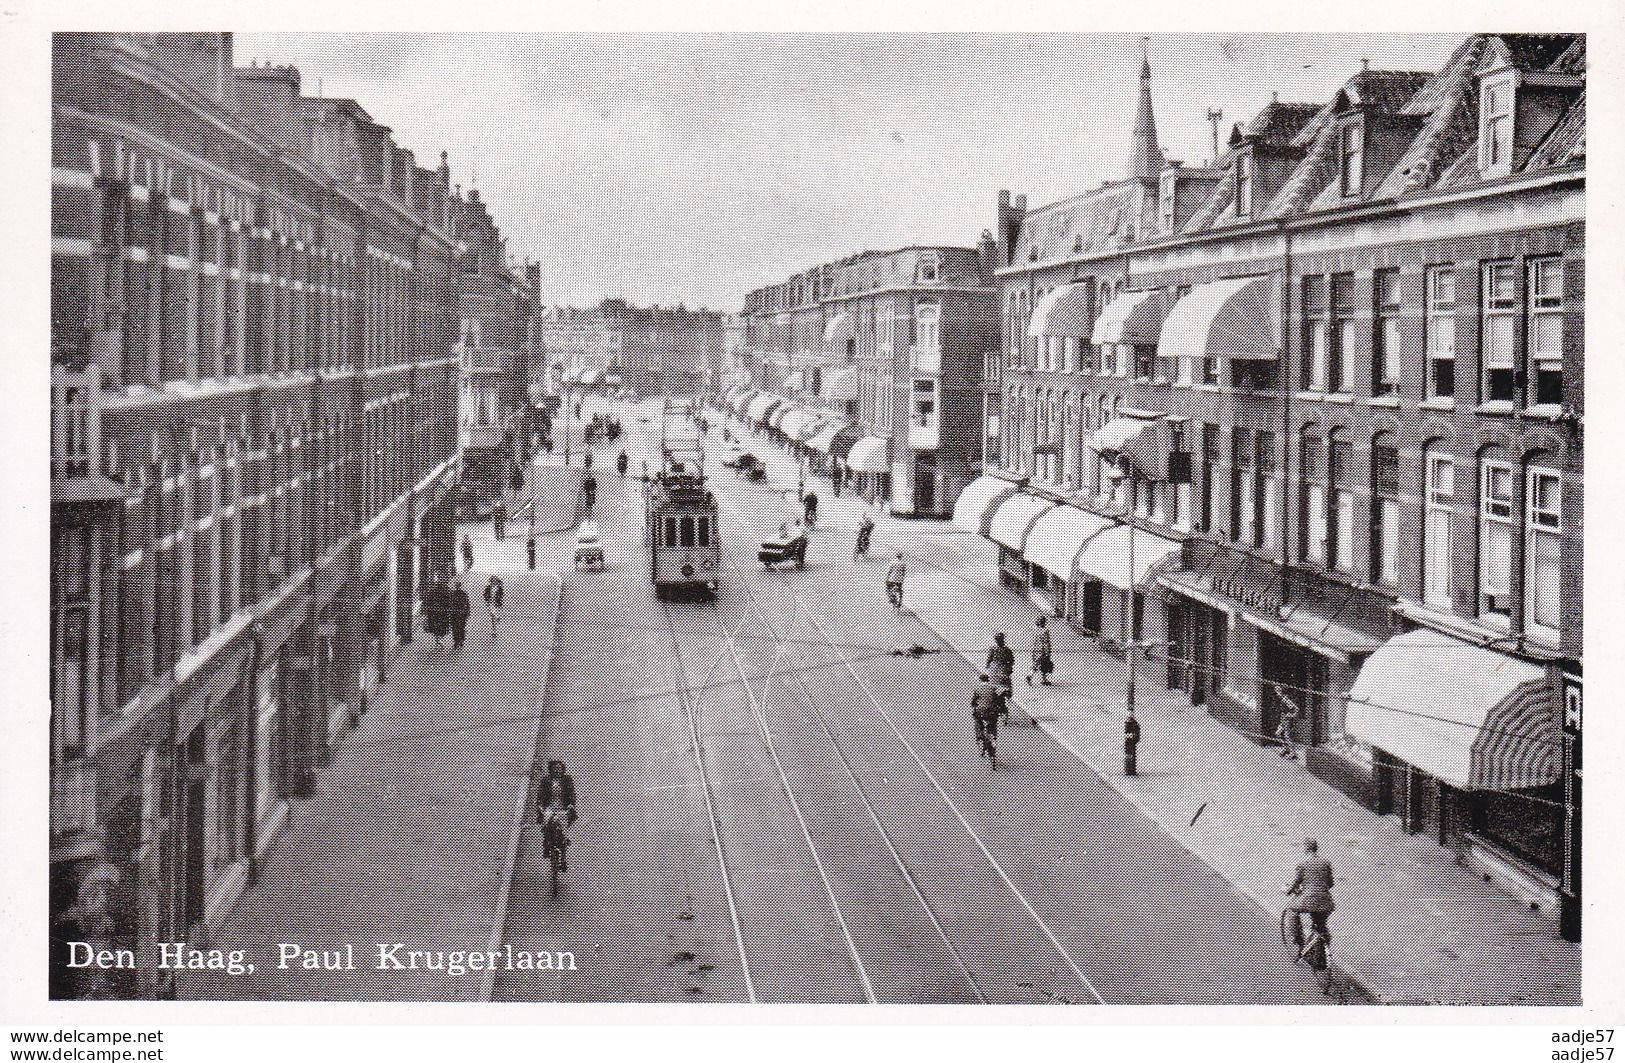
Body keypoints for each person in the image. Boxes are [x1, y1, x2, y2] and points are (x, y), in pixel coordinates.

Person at [1285, 838, 1336, 957]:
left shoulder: (1303, 864)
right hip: (1326, 901)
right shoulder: (1326, 863)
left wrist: (1288, 891)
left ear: (1306, 848)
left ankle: (1299, 941)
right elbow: (1330, 883)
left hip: (1309, 900)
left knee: (1292, 911)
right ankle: (1324, 951)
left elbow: (1295, 884)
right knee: (1321, 924)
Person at [971, 673, 1009, 767]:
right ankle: (993, 737)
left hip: (981, 712)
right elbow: (1001, 695)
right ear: (988, 680)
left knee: (977, 721)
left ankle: (980, 736)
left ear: (980, 680)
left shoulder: (977, 689)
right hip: (992, 712)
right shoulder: (993, 688)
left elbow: (973, 702)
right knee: (992, 725)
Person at [424, 574, 450, 648]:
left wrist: (427, 611)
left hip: (434, 612)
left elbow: (428, 601)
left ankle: (437, 640)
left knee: (435, 627)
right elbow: (449, 601)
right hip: (442, 613)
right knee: (441, 627)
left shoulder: (433, 591)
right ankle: (438, 640)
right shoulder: (445, 591)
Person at [1027, 616, 1054, 686]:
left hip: (1035, 649)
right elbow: (1046, 642)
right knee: (1044, 665)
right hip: (1043, 650)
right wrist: (1048, 652)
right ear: (1044, 622)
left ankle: (1032, 676)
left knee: (1036, 664)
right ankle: (1040, 679)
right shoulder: (1045, 631)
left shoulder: (1035, 630)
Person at [449, 580, 471, 650]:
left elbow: (450, 604)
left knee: (455, 628)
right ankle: (460, 640)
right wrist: (467, 612)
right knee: (461, 627)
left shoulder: (453, 593)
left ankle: (456, 641)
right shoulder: (463, 593)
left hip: (455, 614)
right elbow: (467, 604)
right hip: (461, 614)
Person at [1124, 708, 1141, 776]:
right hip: (1129, 742)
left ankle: (1131, 770)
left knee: (1132, 755)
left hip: (1132, 742)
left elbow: (1137, 734)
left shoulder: (1135, 724)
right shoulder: (1128, 724)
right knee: (1128, 755)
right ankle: (1128, 769)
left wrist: (1134, 738)